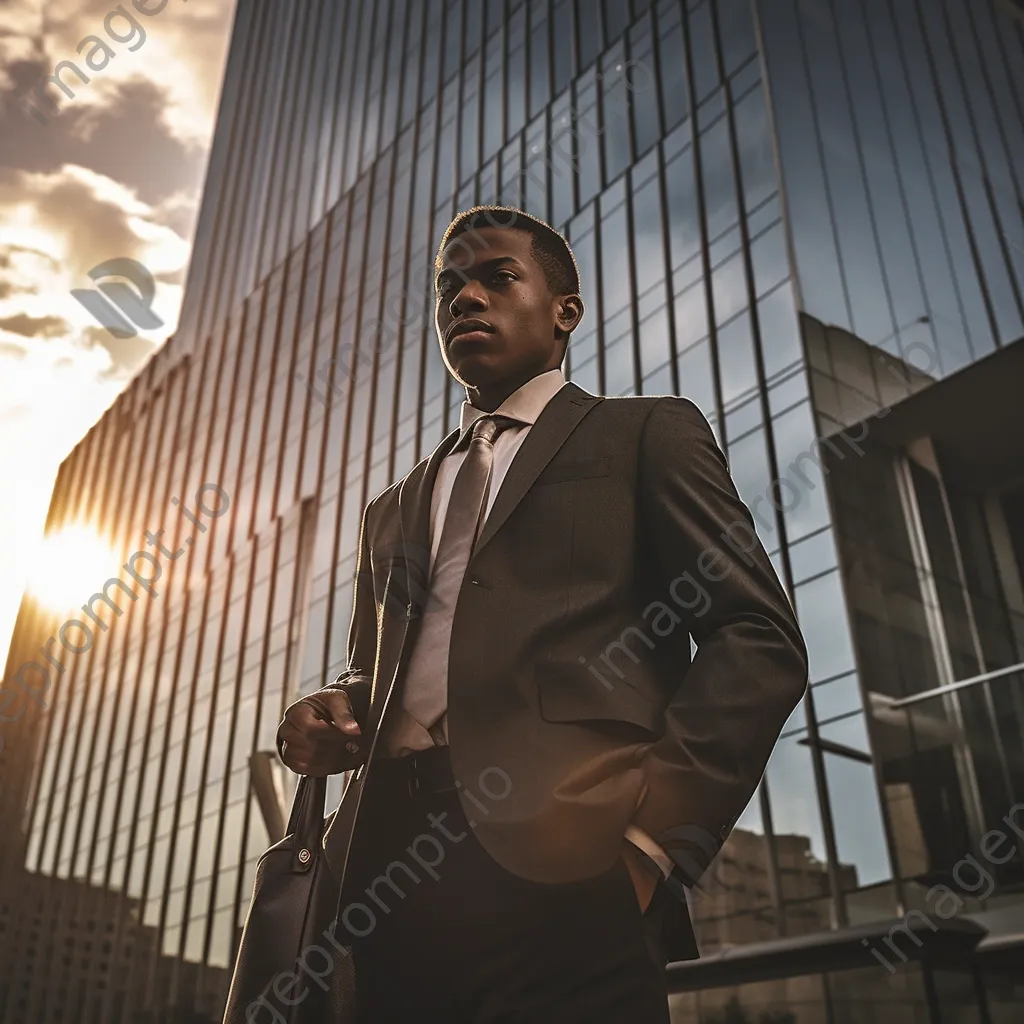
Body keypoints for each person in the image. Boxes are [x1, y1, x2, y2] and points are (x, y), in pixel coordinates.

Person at [277, 205, 808, 1022]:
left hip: (573, 866)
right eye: (449, 286)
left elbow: (756, 635)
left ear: (566, 311)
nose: (464, 298)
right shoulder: (389, 509)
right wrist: (334, 712)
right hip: (387, 881)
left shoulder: (644, 433)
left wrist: (651, 845)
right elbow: (373, 671)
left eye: (497, 277)